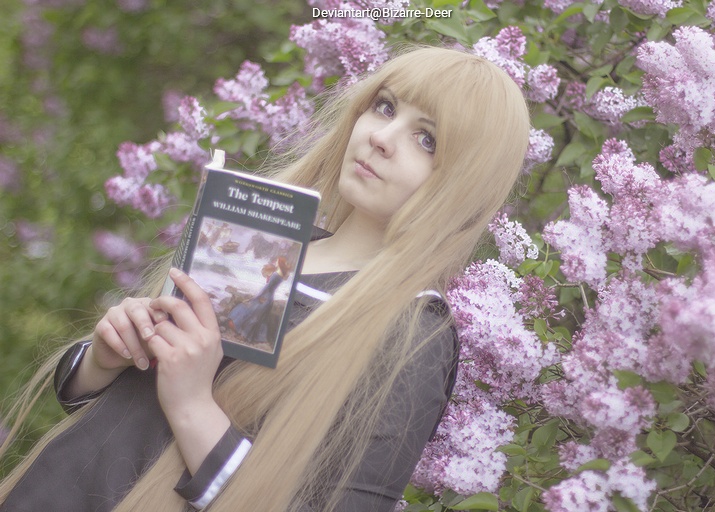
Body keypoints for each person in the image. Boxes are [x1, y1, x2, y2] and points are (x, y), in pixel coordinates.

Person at [0, 45, 530, 511]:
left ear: (465, 181)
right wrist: (106, 357)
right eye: (385, 107)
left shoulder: (415, 332)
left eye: (428, 140)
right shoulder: (267, 242)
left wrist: (192, 404)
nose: (382, 138)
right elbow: (114, 416)